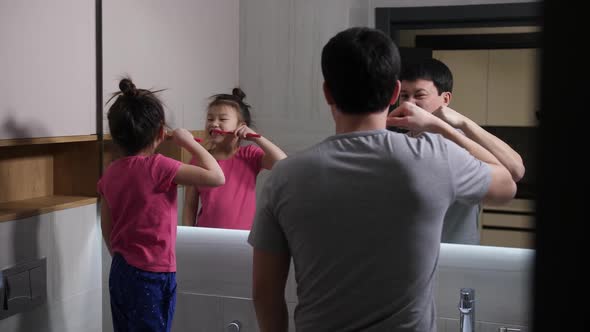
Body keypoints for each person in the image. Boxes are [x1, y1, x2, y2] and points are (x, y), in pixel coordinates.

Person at [247, 27, 516, 332]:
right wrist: (443, 128)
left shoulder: (285, 176)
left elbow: (265, 293)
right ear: (393, 92)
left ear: (328, 93)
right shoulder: (434, 158)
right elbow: (507, 184)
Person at [98, 78, 225, 332]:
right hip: (152, 274)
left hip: (122, 270)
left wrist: (124, 258)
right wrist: (188, 141)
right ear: (159, 134)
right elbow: (217, 177)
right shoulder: (159, 166)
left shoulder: (110, 173)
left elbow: (107, 227)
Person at [398, 58, 525, 244]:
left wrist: (464, 122)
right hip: (414, 261)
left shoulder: (464, 142)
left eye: (419, 95)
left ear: (446, 99)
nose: (409, 104)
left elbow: (516, 170)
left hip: (460, 257)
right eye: (404, 95)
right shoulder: (398, 145)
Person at [182, 88, 287, 230]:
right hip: (206, 236)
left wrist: (257, 138)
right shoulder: (199, 159)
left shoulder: (249, 155)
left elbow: (282, 163)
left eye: (223, 119)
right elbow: (189, 205)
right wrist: (189, 237)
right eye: (210, 119)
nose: (214, 123)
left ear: (241, 126)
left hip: (243, 237)